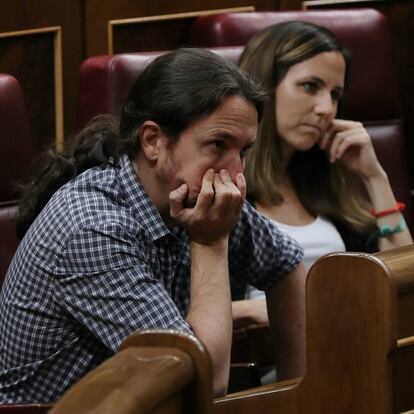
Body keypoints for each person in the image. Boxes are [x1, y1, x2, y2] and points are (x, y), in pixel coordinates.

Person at [0, 48, 306, 403]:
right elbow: (205, 380)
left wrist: (297, 397)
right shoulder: (92, 228)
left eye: (244, 151)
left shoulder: (200, 195)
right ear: (153, 141)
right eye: (218, 144)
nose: (236, 175)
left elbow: (287, 265)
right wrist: (210, 242)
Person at [232, 21, 412, 321]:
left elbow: (406, 282)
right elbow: (176, 315)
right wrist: (251, 309)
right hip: (272, 360)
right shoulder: (224, 188)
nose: (326, 108)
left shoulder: (325, 188)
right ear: (264, 85)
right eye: (310, 87)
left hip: (355, 346)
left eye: (335, 94)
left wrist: (374, 177)